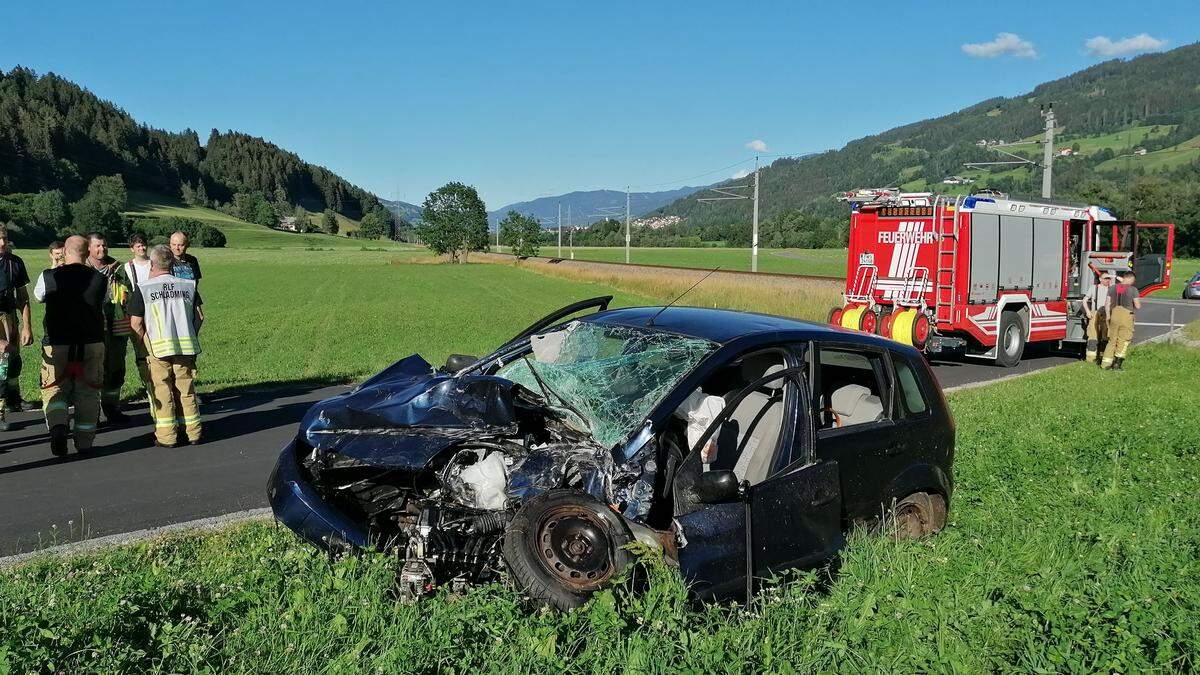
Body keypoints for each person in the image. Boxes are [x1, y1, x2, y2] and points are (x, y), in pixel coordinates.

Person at [32, 235, 107, 455]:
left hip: (58, 343)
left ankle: (58, 426)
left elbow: (38, 297)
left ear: (64, 251)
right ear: (88, 253)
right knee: (89, 392)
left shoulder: (49, 276)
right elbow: (103, 301)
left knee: (54, 389)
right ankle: (84, 442)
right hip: (91, 342)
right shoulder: (100, 279)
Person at [129, 244, 204, 447]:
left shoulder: (144, 288)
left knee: (162, 391)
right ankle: (193, 432)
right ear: (172, 264)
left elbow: (135, 323)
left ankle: (167, 436)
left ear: (152, 264)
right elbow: (199, 318)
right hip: (185, 346)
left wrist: (144, 343)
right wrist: (191, 335)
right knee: (186, 389)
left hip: (158, 348)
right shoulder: (188, 285)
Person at [85, 232, 134, 424]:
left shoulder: (118, 267)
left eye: (104, 245)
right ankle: (92, 411)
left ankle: (111, 406)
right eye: (97, 246)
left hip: (117, 326)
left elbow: (129, 292)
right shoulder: (83, 268)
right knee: (94, 369)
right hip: (94, 326)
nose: (102, 249)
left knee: (116, 367)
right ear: (89, 248)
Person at [0, 226, 34, 428]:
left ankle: (13, 399)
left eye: (4, 239)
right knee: (1, 364)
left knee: (13, 361)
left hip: (9, 317)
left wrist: (27, 326)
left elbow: (22, 297)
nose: (2, 243)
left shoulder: (15, 263)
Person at [121, 234, 153, 394]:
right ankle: (146, 381)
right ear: (132, 248)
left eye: (143, 245)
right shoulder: (127, 267)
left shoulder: (154, 264)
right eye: (138, 246)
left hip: (154, 313)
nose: (142, 248)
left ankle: (158, 379)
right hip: (135, 314)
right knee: (140, 348)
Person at [1102, 270, 1141, 371]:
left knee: (1112, 340)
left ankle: (1105, 364)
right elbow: (1137, 306)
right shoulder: (1133, 289)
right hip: (1126, 316)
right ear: (1131, 278)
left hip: (1114, 314)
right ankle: (1117, 365)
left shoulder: (1112, 288)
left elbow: (1107, 303)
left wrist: (1108, 315)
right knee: (1124, 340)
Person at [1083, 272, 1112, 365]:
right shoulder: (1093, 288)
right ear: (1100, 279)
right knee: (1093, 336)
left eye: (1109, 278)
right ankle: (1090, 359)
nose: (1108, 280)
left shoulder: (1111, 289)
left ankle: (1103, 358)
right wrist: (1088, 311)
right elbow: (1085, 300)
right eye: (1106, 278)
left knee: (1105, 337)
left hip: (1106, 315)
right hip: (1095, 314)